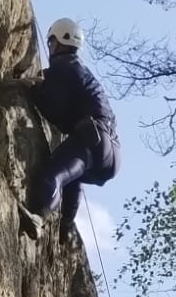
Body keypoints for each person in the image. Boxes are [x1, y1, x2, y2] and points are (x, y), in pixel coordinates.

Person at [19, 18, 120, 242]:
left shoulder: (64, 67)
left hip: (91, 137)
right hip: (110, 156)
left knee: (52, 174)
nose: (50, 47)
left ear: (58, 41)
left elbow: (54, 111)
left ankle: (39, 217)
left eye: (51, 42)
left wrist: (34, 90)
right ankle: (67, 224)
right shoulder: (81, 72)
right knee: (72, 175)